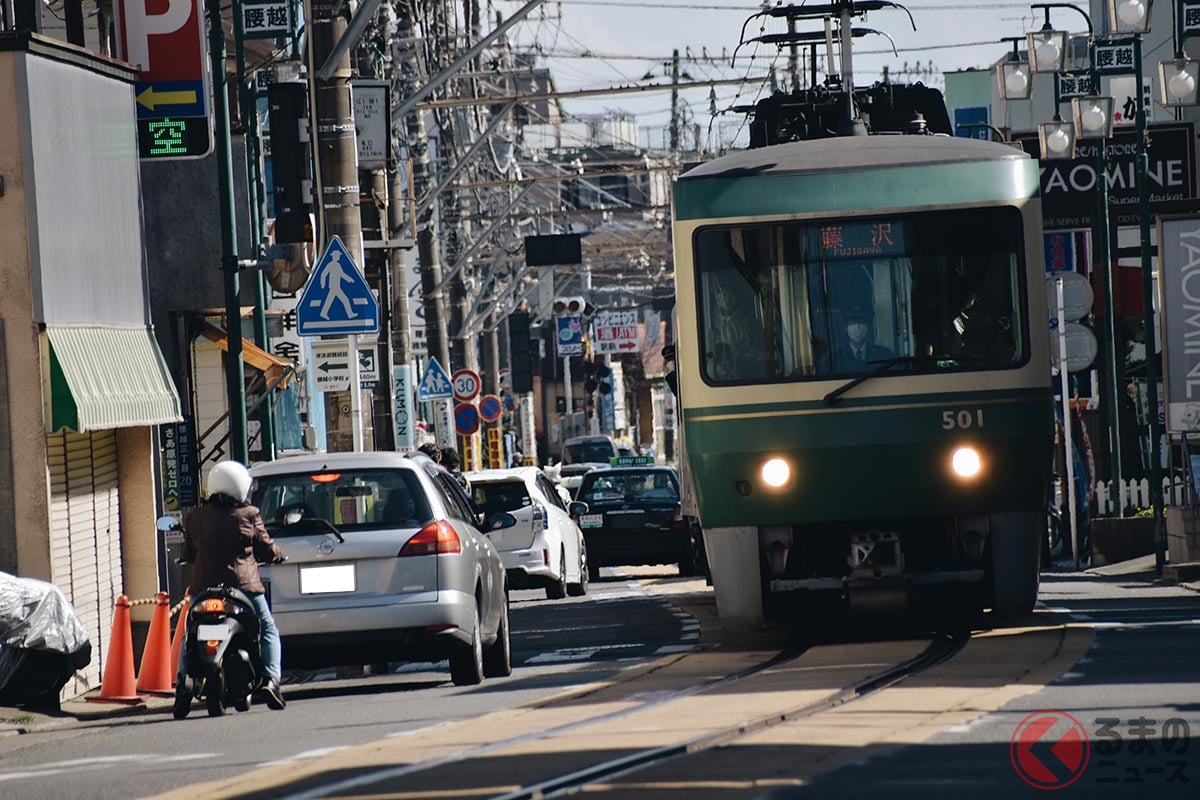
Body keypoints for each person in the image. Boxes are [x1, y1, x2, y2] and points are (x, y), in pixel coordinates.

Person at [181, 460, 287, 710]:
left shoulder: (194, 516)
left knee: (189, 634)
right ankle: (271, 680)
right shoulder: (249, 514)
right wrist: (278, 555)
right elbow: (266, 546)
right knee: (267, 627)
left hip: (204, 588)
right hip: (243, 587)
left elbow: (188, 552)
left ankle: (180, 680)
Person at [829, 306, 894, 372]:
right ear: (845, 327)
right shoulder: (834, 359)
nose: (857, 326)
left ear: (867, 327)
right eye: (852, 322)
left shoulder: (885, 354)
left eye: (861, 321)